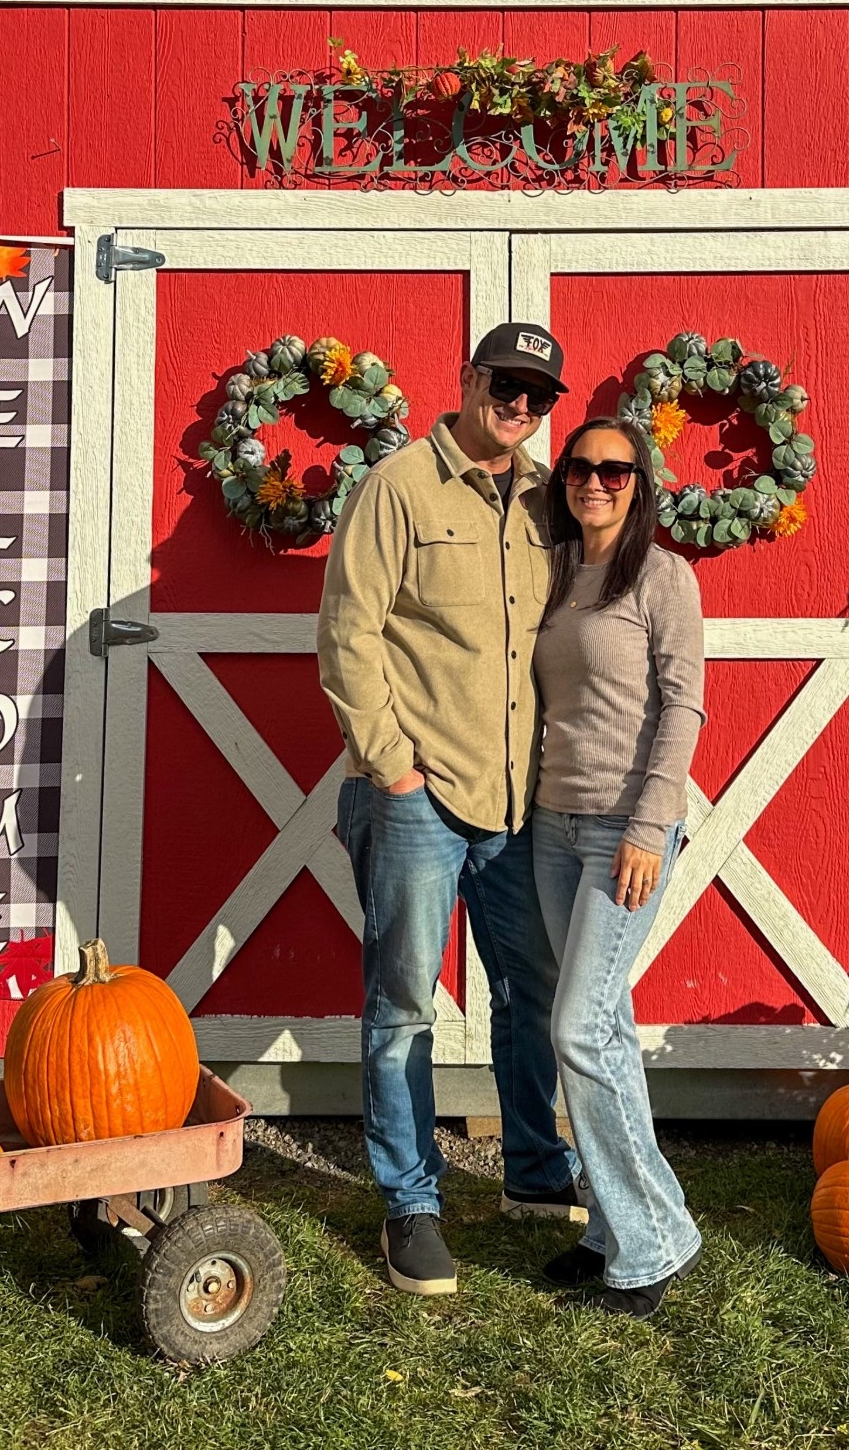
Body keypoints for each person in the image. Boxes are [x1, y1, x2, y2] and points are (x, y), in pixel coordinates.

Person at [318, 323, 586, 1298]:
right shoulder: (398, 487)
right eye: (505, 383)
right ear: (467, 378)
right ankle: (411, 1204)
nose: (519, 403)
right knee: (401, 1006)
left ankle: (534, 1168)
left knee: (532, 985)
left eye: (537, 393)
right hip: (419, 795)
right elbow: (349, 630)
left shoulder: (550, 498)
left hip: (518, 796)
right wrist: (392, 766)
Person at [531, 415, 706, 1319]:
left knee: (577, 1030)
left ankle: (648, 1249)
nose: (594, 481)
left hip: (624, 834)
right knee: (603, 1031)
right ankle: (618, 1224)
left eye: (615, 470)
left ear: (640, 484)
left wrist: (650, 823)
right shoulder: (556, 572)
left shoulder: (662, 576)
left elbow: (684, 709)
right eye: (580, 467)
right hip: (553, 827)